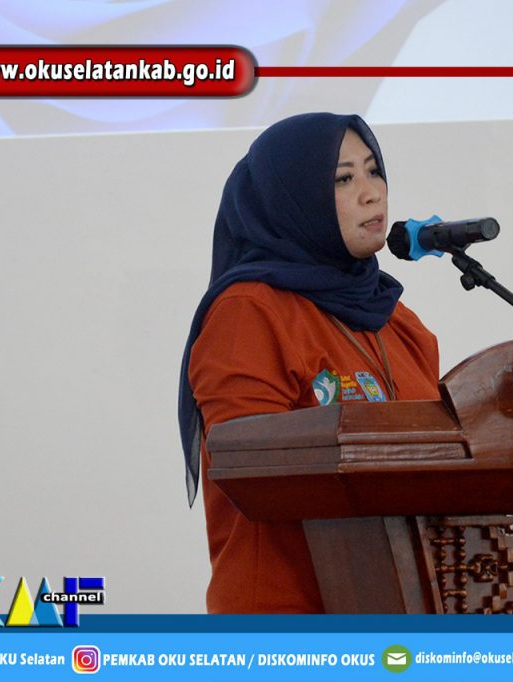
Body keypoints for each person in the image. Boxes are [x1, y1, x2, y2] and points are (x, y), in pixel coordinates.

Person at [178, 112, 440, 613]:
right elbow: (250, 473)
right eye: (343, 179)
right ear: (293, 198)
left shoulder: (396, 321)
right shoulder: (249, 312)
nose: (372, 193)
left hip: (393, 611)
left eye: (374, 171)